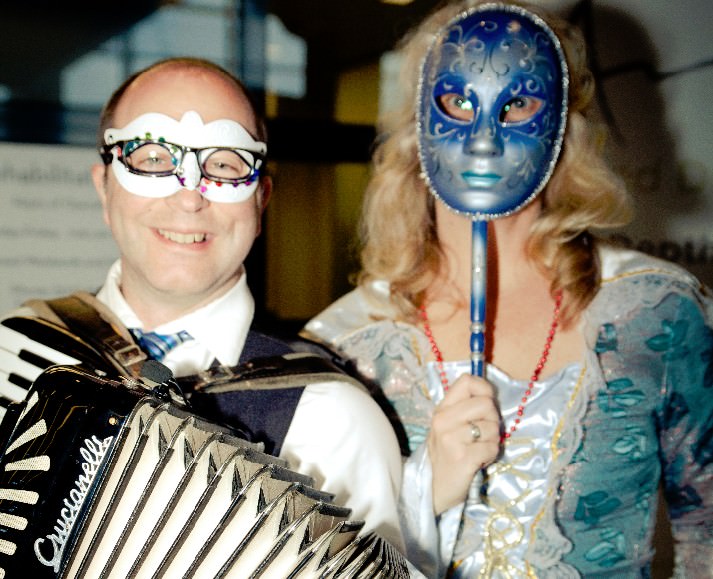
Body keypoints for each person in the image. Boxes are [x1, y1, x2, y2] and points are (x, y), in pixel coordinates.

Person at [303, 1, 713, 577]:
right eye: (457, 103)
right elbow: (315, 559)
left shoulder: (655, 310)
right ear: (418, 123)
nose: (485, 139)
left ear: (562, 127)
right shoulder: (345, 346)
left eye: (518, 104)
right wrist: (426, 488)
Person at [0, 57, 404, 552]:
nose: (189, 197)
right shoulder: (13, 350)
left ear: (262, 201)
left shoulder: (334, 421)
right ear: (103, 189)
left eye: (225, 163)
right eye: (151, 157)